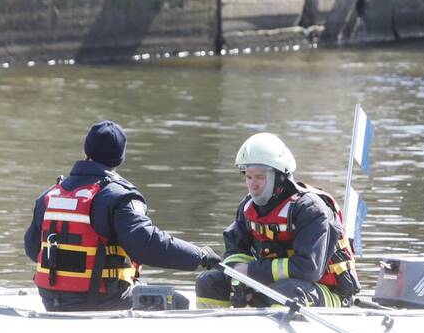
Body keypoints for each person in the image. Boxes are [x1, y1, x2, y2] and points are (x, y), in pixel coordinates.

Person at [24, 120, 220, 311]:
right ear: (120, 158)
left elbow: (33, 249)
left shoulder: (50, 195)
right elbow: (148, 244)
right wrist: (199, 255)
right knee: (177, 302)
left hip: (50, 300)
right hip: (101, 300)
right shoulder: (118, 197)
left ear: (87, 152)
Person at [195, 132, 360, 309]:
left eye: (260, 177)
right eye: (248, 176)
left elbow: (308, 269)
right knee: (209, 282)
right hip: (270, 286)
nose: (253, 185)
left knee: (285, 292)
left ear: (280, 177)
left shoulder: (310, 209)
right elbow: (234, 252)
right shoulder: (247, 208)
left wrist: (251, 272)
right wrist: (239, 282)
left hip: (325, 291)